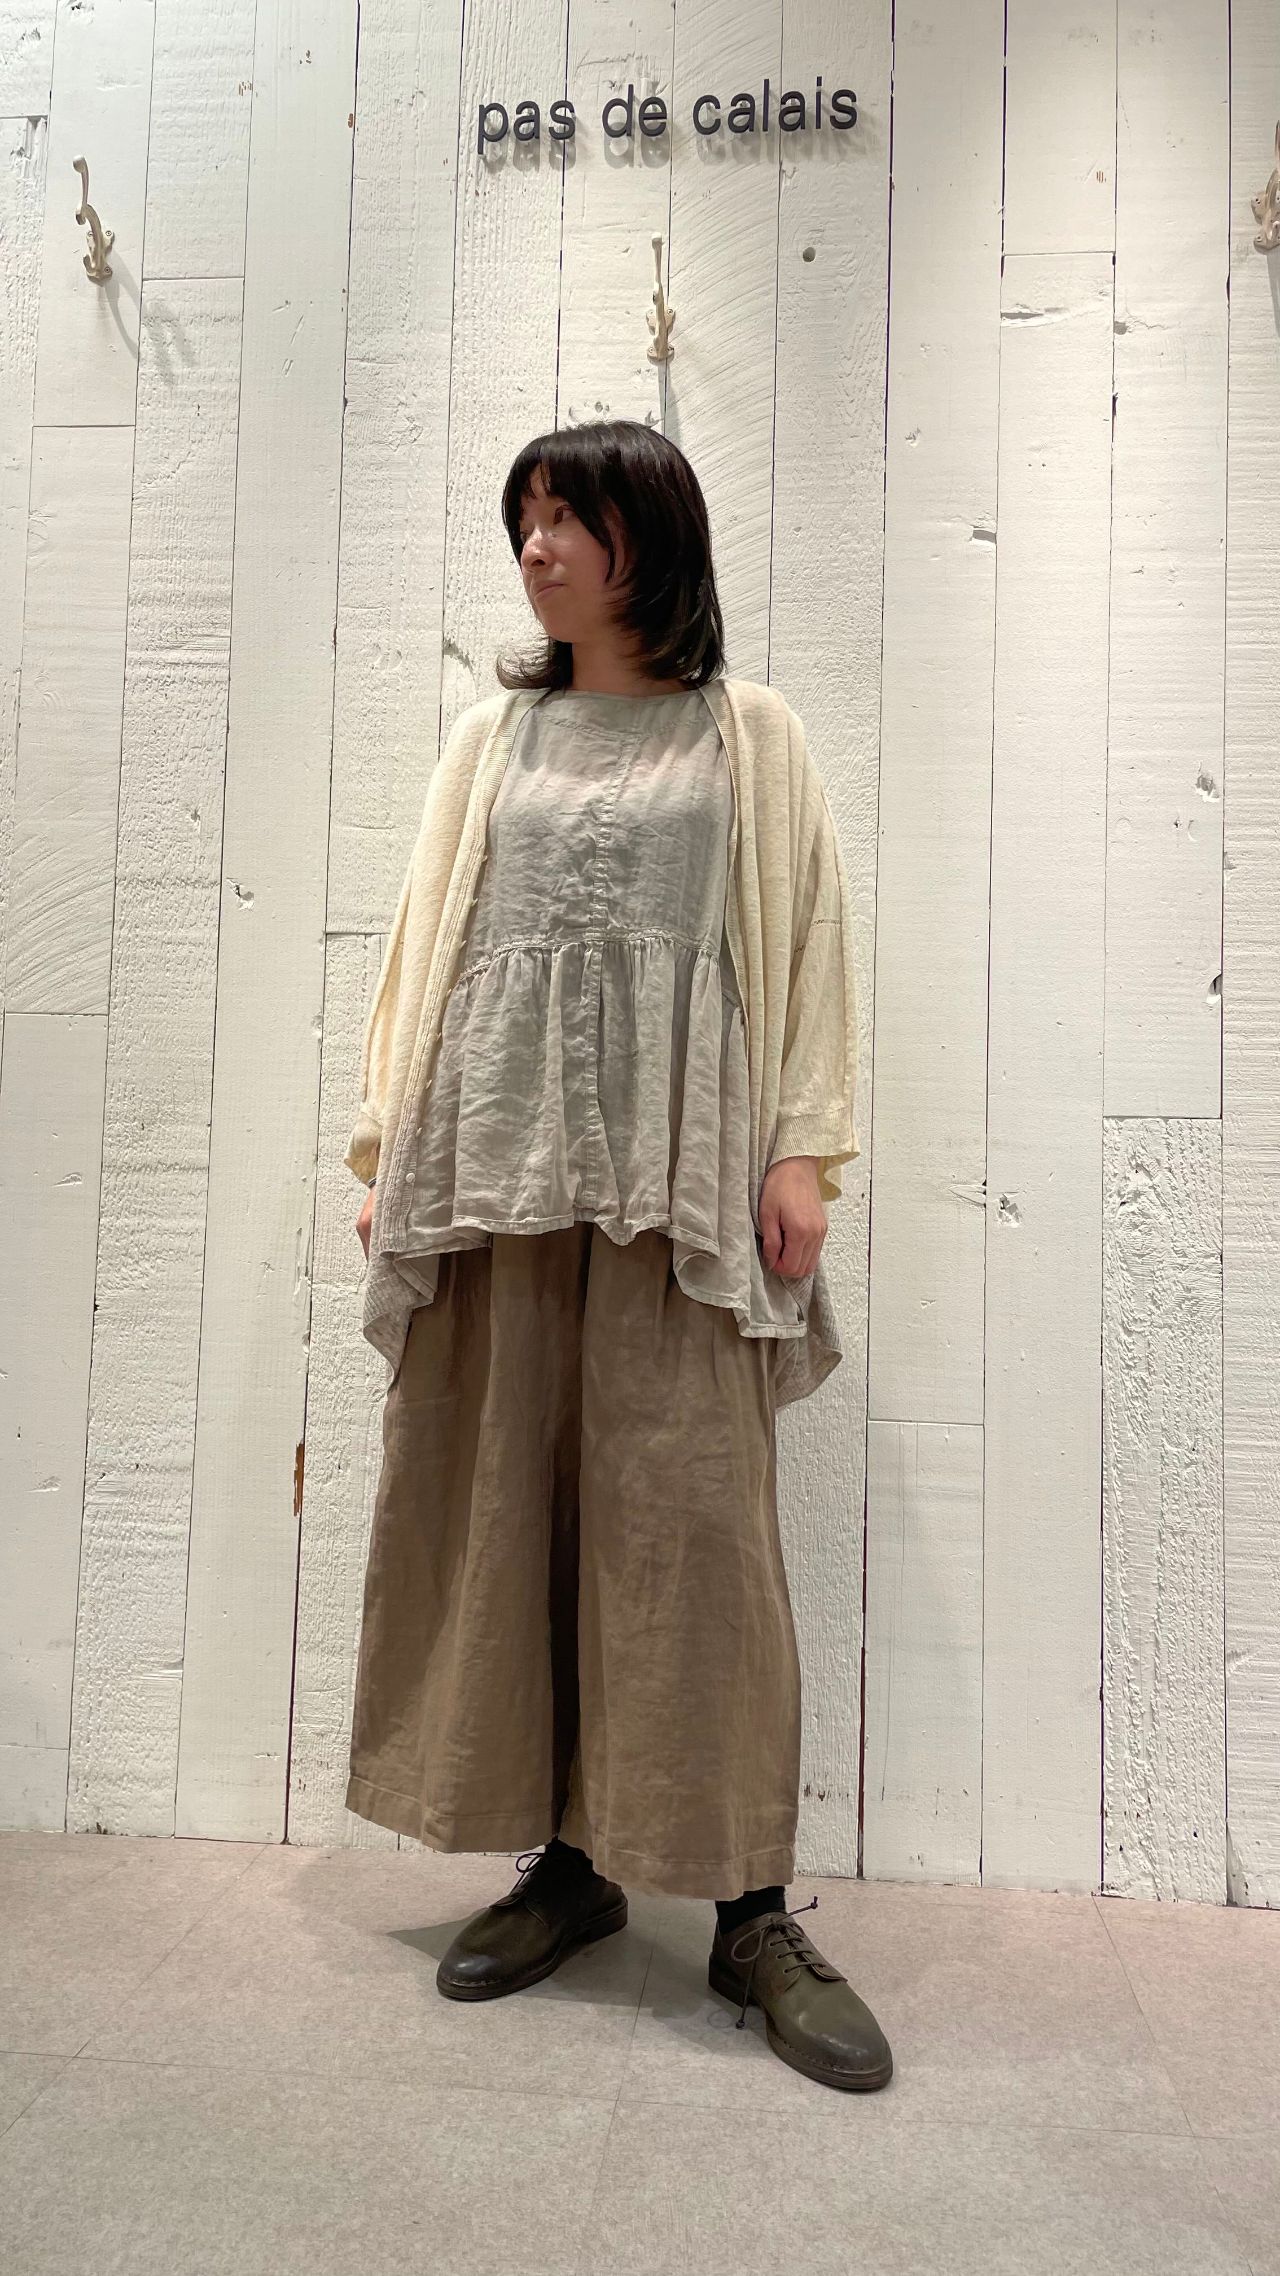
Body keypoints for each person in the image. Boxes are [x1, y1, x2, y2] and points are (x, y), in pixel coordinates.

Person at [343, 418, 892, 2094]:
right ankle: (567, 1868)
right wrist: (387, 1144)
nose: (536, 547)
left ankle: (749, 1910)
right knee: (517, 1506)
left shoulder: (750, 735)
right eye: (523, 517)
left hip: (684, 1177)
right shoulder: (492, 740)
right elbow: (427, 945)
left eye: (567, 516)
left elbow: (810, 938)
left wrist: (800, 1146)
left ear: (650, 536)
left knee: (699, 1533)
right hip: (501, 1170)